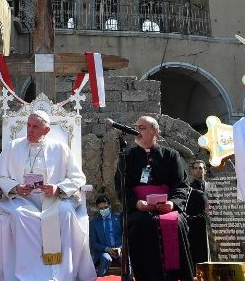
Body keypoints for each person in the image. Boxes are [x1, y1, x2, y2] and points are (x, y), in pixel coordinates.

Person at [0, 110, 95, 281]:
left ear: (46, 130)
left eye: (35, 127)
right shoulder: (14, 146)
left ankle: (61, 274)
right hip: (23, 199)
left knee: (66, 213)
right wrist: (16, 187)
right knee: (19, 214)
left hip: (54, 199)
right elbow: (0, 176)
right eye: (28, 125)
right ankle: (27, 274)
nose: (29, 130)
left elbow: (78, 177)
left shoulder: (60, 148)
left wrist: (58, 188)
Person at [116, 116, 193, 281]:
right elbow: (121, 187)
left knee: (177, 222)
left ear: (155, 131)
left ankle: (175, 276)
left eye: (142, 127)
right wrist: (137, 203)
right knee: (139, 223)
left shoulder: (171, 155)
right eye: (136, 126)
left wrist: (172, 203)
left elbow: (181, 185)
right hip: (139, 208)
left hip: (167, 207)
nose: (137, 130)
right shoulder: (126, 157)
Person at [89, 195, 122, 277]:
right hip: (104, 251)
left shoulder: (119, 219)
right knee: (105, 258)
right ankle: (100, 278)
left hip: (119, 250)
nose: (104, 210)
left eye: (105, 207)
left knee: (125, 259)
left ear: (109, 206)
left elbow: (125, 237)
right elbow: (93, 243)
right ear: (98, 209)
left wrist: (120, 248)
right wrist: (107, 249)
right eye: (101, 208)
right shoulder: (94, 223)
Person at [185, 160, 209, 266]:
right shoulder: (188, 189)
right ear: (192, 171)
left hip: (211, 228)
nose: (198, 170)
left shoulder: (212, 187)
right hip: (196, 229)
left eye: (201, 168)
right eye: (196, 168)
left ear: (205, 170)